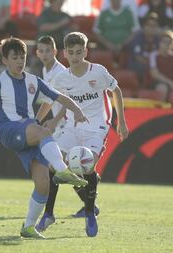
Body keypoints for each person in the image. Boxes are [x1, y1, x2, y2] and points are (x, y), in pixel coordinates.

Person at [0, 37, 88, 239]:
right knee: (42, 130)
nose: (19, 61)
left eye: (22, 57)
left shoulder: (33, 81)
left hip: (29, 134)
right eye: (14, 58)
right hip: (9, 131)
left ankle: (28, 227)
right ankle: (62, 170)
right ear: (5, 60)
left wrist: (77, 109)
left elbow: (58, 97)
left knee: (43, 182)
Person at [35, 32, 129, 237]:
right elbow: (52, 100)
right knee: (53, 164)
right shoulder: (62, 77)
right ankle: (49, 214)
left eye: (79, 52)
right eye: (71, 53)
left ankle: (89, 213)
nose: (75, 57)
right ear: (65, 54)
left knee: (88, 166)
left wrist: (121, 122)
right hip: (71, 127)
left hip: (97, 126)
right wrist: (39, 121)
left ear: (86, 52)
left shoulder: (98, 72)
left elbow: (117, 91)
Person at [35, 35, 100, 230]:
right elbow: (49, 100)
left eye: (48, 50)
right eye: (41, 51)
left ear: (56, 52)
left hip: (67, 125)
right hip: (61, 124)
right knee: (62, 166)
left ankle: (52, 213)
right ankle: (89, 204)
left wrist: (54, 121)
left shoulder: (61, 71)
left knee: (60, 166)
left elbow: (67, 102)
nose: (45, 54)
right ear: (37, 53)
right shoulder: (45, 71)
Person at [148, 30, 173, 100]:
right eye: (165, 42)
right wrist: (170, 82)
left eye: (169, 42)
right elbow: (155, 74)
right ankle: (160, 110)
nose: (167, 44)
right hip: (157, 82)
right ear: (160, 43)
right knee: (163, 88)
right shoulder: (153, 55)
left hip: (171, 81)